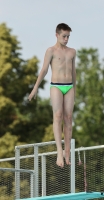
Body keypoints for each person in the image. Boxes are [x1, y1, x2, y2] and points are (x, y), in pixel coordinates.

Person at [28, 23, 76, 168]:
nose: (66, 39)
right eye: (64, 36)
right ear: (57, 35)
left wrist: (75, 88)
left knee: (68, 118)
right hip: (56, 86)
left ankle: (67, 152)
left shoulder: (72, 52)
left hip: (69, 87)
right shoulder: (51, 51)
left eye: (68, 36)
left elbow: (74, 72)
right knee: (58, 116)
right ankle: (59, 152)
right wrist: (35, 88)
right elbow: (43, 70)